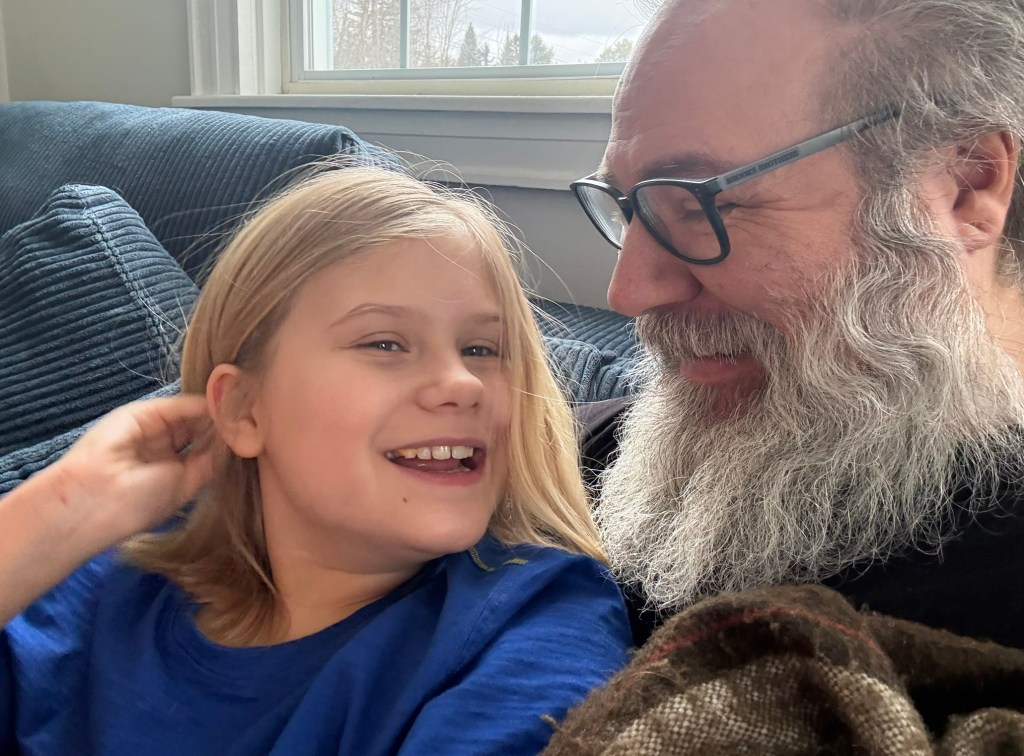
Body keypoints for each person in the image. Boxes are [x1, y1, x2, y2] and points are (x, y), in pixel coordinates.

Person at [0, 166, 631, 754]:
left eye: (482, 349)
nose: (462, 384)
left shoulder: (535, 618)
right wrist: (64, 505)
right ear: (244, 410)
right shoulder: (103, 573)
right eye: (385, 343)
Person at [570, 0, 1024, 649]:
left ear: (967, 183)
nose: (630, 292)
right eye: (630, 208)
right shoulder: (607, 446)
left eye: (701, 204)